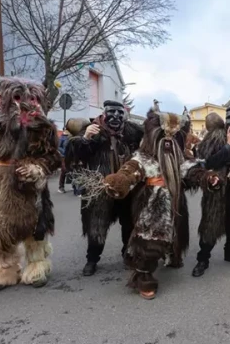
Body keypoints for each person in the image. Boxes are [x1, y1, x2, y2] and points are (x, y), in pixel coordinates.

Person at [103, 109, 220, 299]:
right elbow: (130, 171)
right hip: (151, 207)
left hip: (175, 204)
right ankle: (143, 277)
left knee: (175, 235)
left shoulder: (179, 157)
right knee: (148, 242)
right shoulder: (143, 157)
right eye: (163, 136)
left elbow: (191, 171)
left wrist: (208, 178)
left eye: (172, 137)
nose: (167, 141)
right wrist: (119, 182)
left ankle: (172, 256)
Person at [0, 77, 61, 294]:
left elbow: (53, 157)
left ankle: (37, 265)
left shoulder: (43, 128)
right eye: (17, 97)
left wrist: (38, 169)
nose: (23, 103)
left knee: (35, 227)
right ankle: (4, 270)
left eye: (31, 98)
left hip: (30, 185)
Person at [65, 101, 143, 276]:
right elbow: (74, 155)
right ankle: (92, 259)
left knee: (129, 223)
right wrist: (85, 139)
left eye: (119, 113)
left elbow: (149, 144)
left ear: (125, 115)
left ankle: (128, 253)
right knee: (96, 225)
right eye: (111, 113)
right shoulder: (93, 130)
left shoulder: (133, 132)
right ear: (104, 114)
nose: (115, 117)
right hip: (100, 188)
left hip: (126, 188)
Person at [192, 107, 230, 277]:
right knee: (211, 223)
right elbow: (208, 163)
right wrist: (228, 146)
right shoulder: (215, 137)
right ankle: (203, 259)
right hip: (217, 188)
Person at [58, 129, 70, 193]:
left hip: (70, 156)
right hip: (63, 156)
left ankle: (75, 186)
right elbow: (59, 147)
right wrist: (64, 152)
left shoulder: (70, 136)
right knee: (64, 170)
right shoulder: (62, 138)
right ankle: (61, 187)